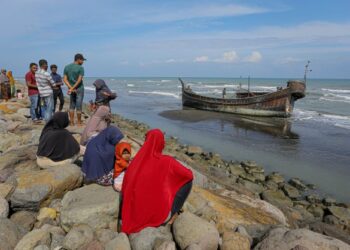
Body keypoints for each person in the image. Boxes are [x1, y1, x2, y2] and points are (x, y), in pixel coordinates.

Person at [121, 129, 193, 234]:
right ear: (161, 143)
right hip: (158, 217)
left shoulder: (135, 163)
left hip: (132, 215)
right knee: (188, 181)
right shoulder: (167, 161)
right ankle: (172, 214)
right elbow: (189, 175)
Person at [63, 53, 86, 126]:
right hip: (79, 88)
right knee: (79, 105)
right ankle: (79, 122)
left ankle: (72, 122)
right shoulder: (80, 68)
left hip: (71, 89)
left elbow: (65, 79)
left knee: (72, 105)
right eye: (82, 60)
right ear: (78, 59)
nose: (83, 62)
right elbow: (79, 80)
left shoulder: (67, 67)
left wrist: (70, 88)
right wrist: (73, 88)